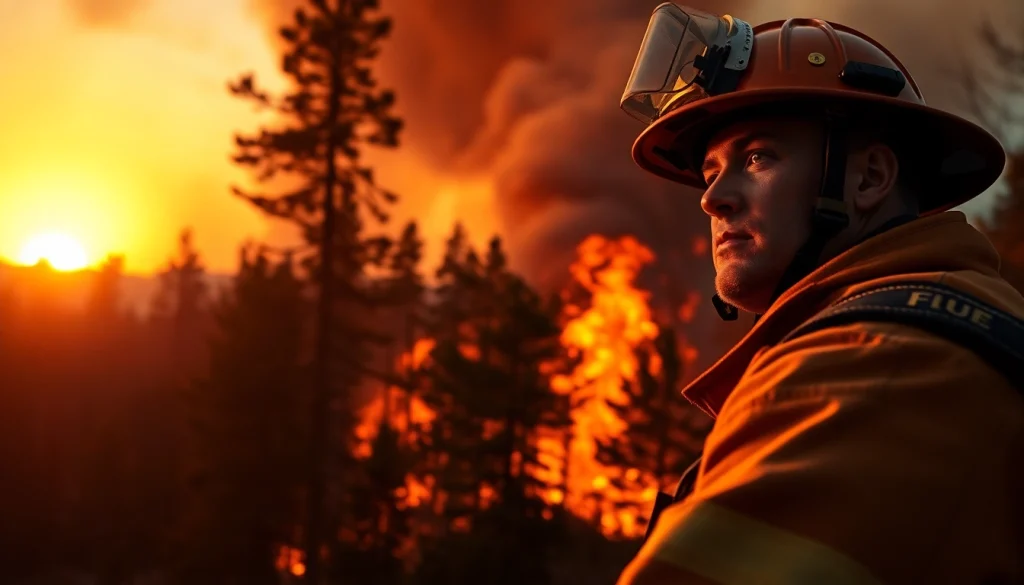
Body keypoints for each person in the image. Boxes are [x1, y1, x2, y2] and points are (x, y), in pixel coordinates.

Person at [615, 5, 1024, 585]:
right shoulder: (944, 327)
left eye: (757, 157)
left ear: (868, 179)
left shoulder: (877, 361)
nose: (712, 199)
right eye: (709, 172)